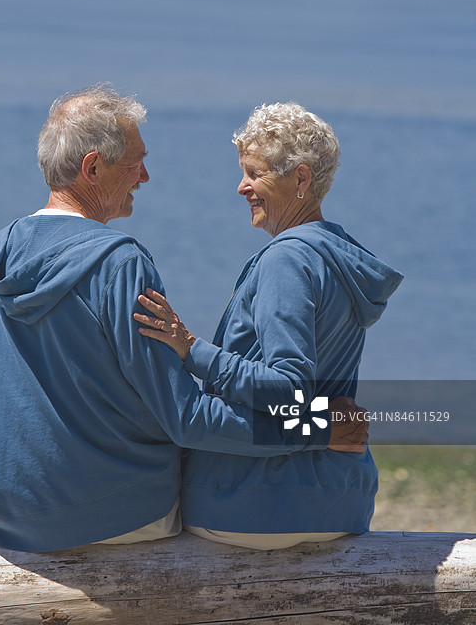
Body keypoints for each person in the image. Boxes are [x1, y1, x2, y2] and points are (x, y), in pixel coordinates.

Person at [0, 86, 366, 553]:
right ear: (92, 168)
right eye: (136, 161)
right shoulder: (120, 264)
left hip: (3, 511)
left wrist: (44, 428)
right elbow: (186, 419)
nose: (145, 176)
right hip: (121, 513)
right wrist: (318, 429)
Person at [135, 102, 403, 550]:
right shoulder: (337, 255)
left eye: (254, 173)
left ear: (300, 178)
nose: (241, 187)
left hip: (254, 507)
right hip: (340, 503)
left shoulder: (287, 259)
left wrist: (189, 347)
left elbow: (289, 388)